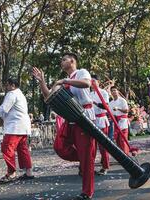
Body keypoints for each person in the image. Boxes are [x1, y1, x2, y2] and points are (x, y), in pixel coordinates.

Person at [32, 52, 96, 200]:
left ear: (72, 60)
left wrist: (64, 80)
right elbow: (49, 96)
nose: (61, 62)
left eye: (64, 59)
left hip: (84, 116)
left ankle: (87, 192)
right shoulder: (63, 81)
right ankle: (84, 159)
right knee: (59, 146)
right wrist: (42, 81)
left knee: (86, 158)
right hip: (71, 118)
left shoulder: (81, 72)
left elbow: (87, 83)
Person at [0, 78, 34, 183]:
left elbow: (4, 108)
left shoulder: (11, 94)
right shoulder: (21, 94)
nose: (6, 87)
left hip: (15, 127)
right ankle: (29, 172)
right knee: (23, 149)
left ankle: (11, 173)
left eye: (7, 85)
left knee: (7, 148)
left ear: (13, 85)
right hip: (23, 126)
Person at [90, 74, 110, 175]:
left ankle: (105, 166)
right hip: (92, 121)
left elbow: (106, 106)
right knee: (92, 146)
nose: (92, 83)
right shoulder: (89, 93)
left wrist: (95, 103)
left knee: (103, 145)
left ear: (98, 82)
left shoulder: (103, 92)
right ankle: (90, 167)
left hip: (102, 120)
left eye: (94, 81)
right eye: (90, 81)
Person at [109, 86, 130, 155]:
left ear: (118, 91)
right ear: (110, 93)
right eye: (112, 91)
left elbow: (126, 110)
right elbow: (111, 114)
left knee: (123, 139)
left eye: (115, 90)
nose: (114, 92)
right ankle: (121, 155)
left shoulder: (122, 100)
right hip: (116, 122)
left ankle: (126, 155)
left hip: (122, 122)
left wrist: (118, 109)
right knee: (117, 140)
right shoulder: (111, 103)